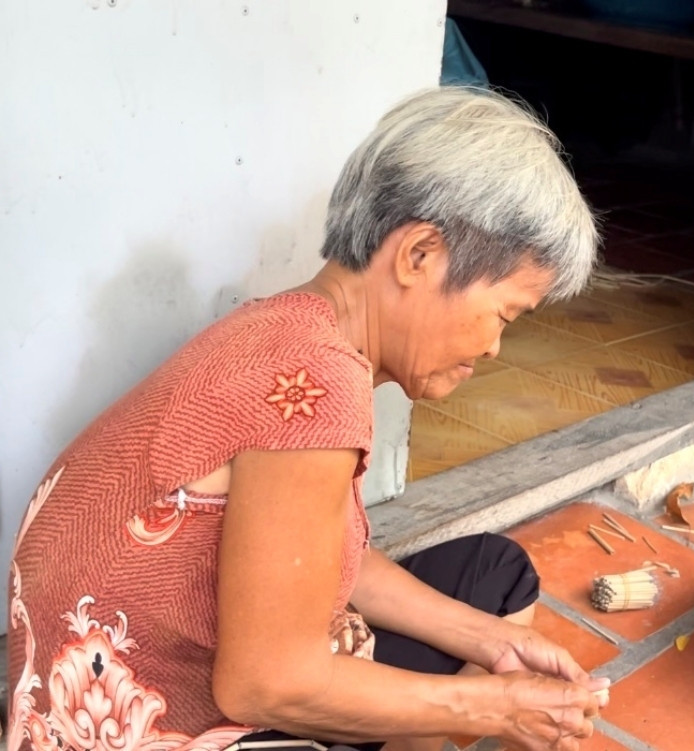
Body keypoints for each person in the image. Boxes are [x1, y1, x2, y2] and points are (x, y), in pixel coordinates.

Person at [7, 87, 607, 751]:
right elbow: (266, 686)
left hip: (49, 705)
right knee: (439, 681)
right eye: (504, 314)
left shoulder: (280, 326)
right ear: (419, 255)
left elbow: (316, 549)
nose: (494, 347)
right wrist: (493, 709)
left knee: (492, 575)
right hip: (141, 728)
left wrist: (490, 639)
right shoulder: (318, 394)